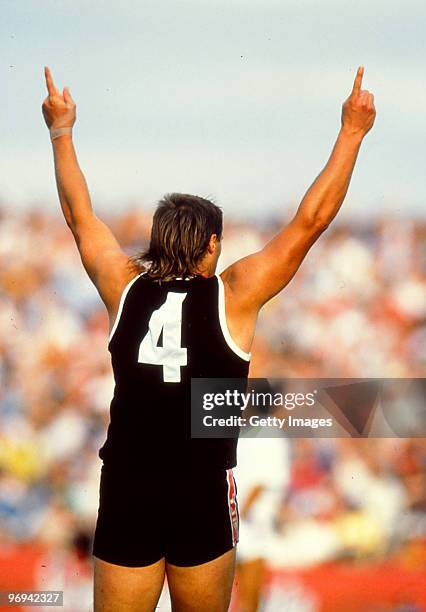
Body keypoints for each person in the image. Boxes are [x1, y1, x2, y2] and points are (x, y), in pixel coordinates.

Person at [41, 65, 376, 612]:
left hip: (128, 486)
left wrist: (61, 132)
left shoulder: (122, 285)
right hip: (199, 491)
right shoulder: (234, 293)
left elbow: (81, 218)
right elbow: (310, 221)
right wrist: (352, 132)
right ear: (213, 244)